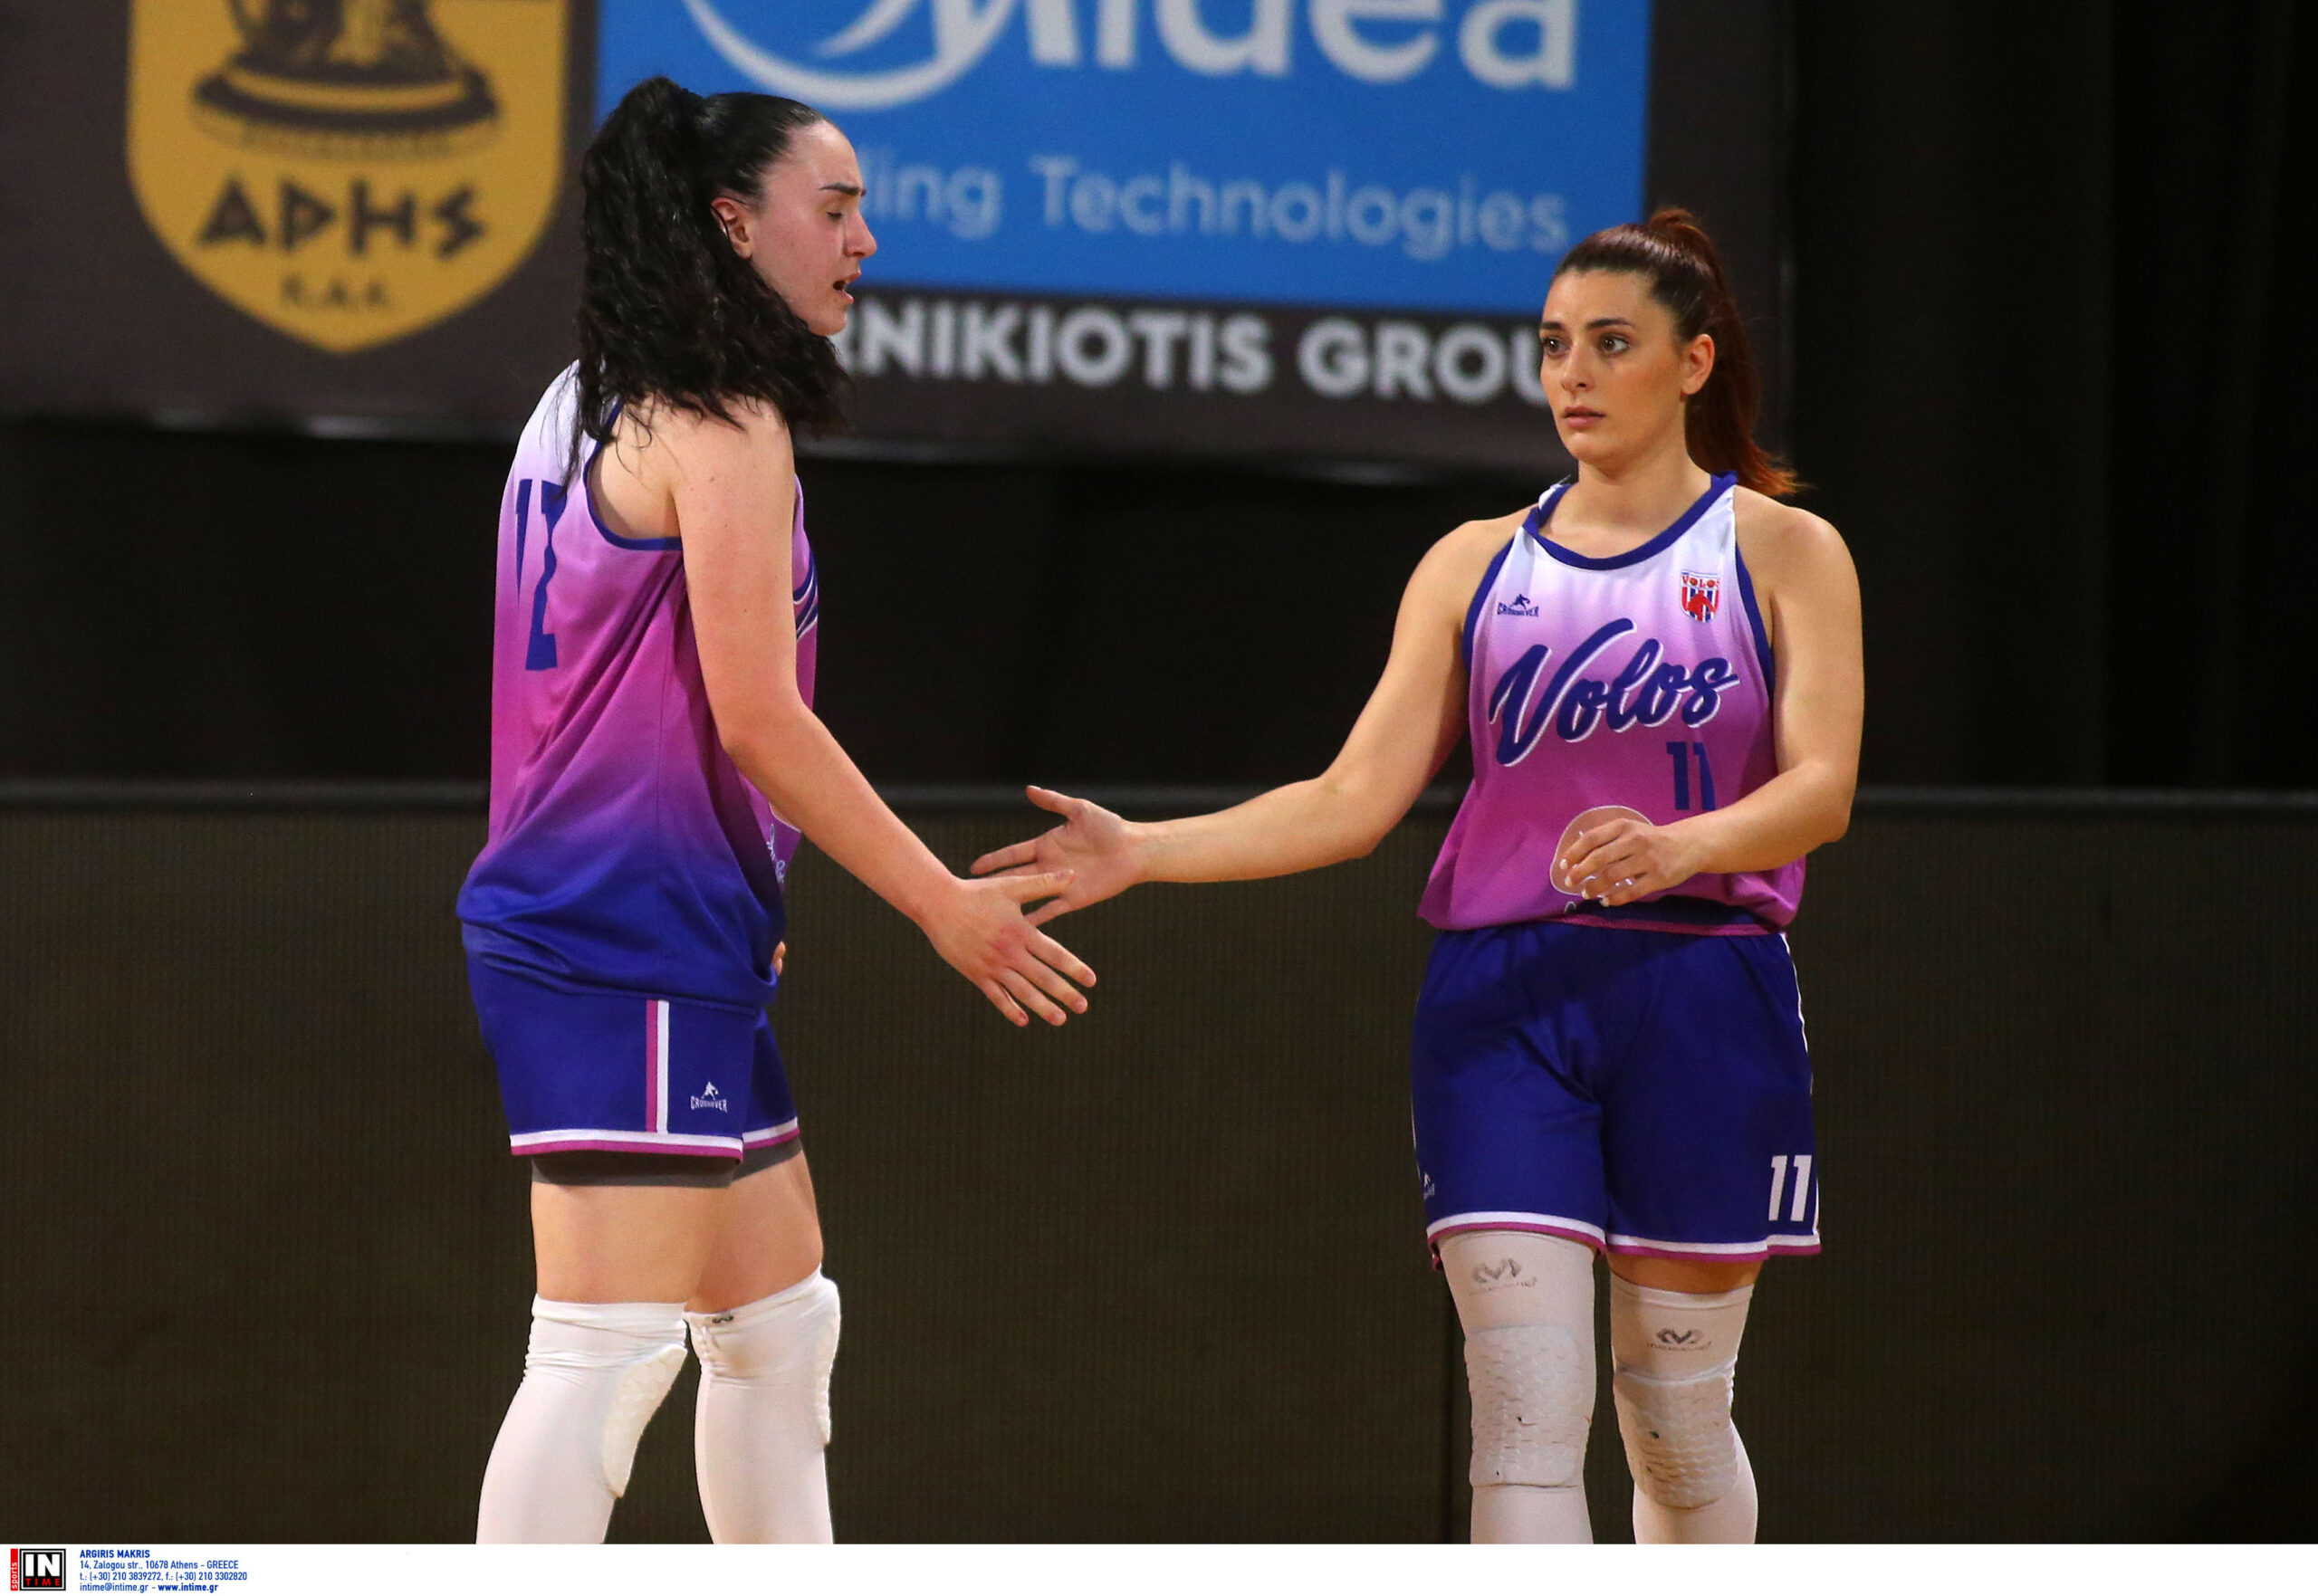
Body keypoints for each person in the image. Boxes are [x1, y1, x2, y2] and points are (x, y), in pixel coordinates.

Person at [973, 210, 1862, 1543]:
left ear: (1694, 363)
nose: (1572, 373)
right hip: (1504, 1004)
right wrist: (1145, 850)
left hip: (1702, 990)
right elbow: (1350, 802)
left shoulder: (1782, 548)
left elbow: (1823, 788)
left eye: (1610, 344)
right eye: (1553, 343)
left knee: (1676, 1424)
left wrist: (1680, 844)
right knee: (1524, 1417)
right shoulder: (1473, 562)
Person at [455, 77, 1093, 1544]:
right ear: (735, 224)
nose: (865, 240)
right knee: (602, 1352)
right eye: (838, 207)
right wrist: (946, 905)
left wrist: (745, 888)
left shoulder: (584, 393)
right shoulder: (721, 420)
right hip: (619, 935)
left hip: (651, 925)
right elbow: (757, 717)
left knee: (776, 1322)